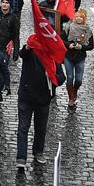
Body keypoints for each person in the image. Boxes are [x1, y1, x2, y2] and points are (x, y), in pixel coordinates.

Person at [13, 29, 58, 174]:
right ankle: (21, 158)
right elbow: (22, 54)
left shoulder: (52, 57)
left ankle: (38, 152)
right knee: (23, 128)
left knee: (41, 129)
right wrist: (27, 46)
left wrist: (52, 75)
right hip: (26, 96)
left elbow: (61, 77)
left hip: (43, 98)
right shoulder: (30, 52)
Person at [60, 7, 93, 109]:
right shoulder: (68, 27)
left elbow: (91, 46)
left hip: (80, 57)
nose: (78, 19)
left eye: (81, 17)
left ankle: (75, 91)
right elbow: (61, 40)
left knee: (78, 80)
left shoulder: (88, 30)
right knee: (70, 77)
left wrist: (82, 47)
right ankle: (71, 98)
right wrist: (68, 45)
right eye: (77, 17)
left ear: (84, 19)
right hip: (68, 56)